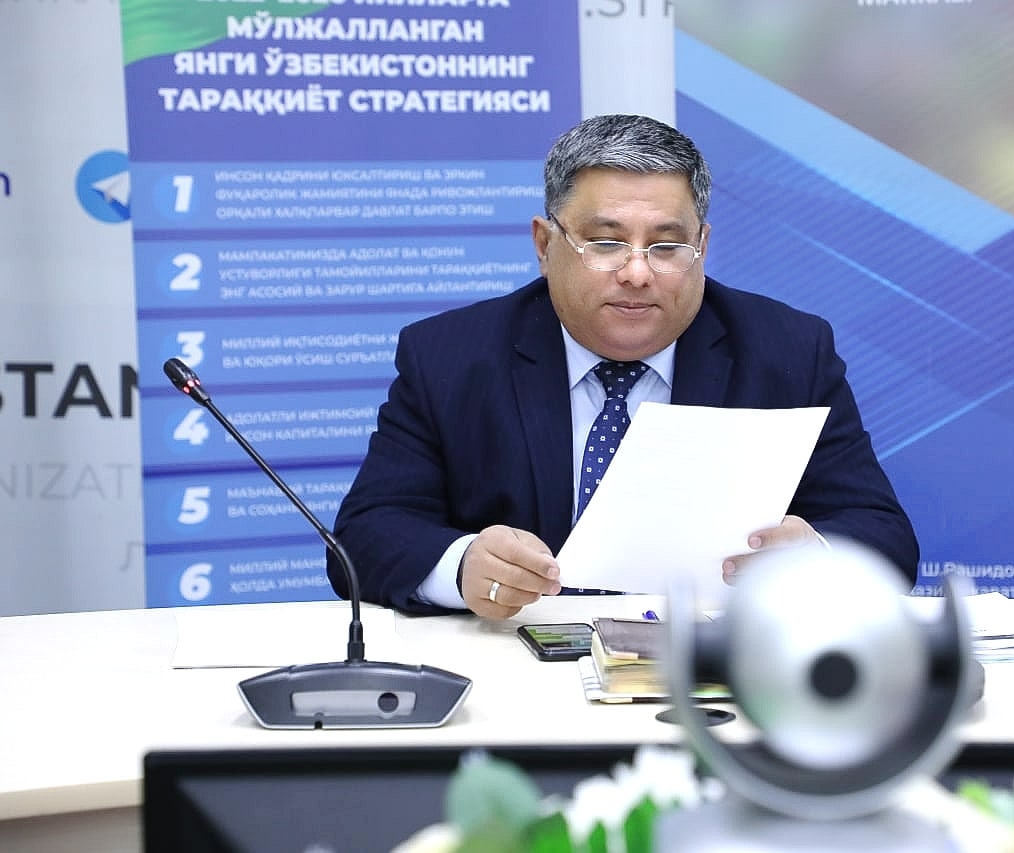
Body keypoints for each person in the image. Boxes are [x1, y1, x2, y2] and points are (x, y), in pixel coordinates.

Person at [328, 113, 918, 618]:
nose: (637, 273)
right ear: (545, 244)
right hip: (515, 661)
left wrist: (814, 557)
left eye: (667, 246)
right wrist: (463, 568)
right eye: (606, 243)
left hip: (714, 667)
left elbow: (883, 536)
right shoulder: (451, 355)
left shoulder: (786, 351)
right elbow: (366, 534)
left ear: (702, 247)